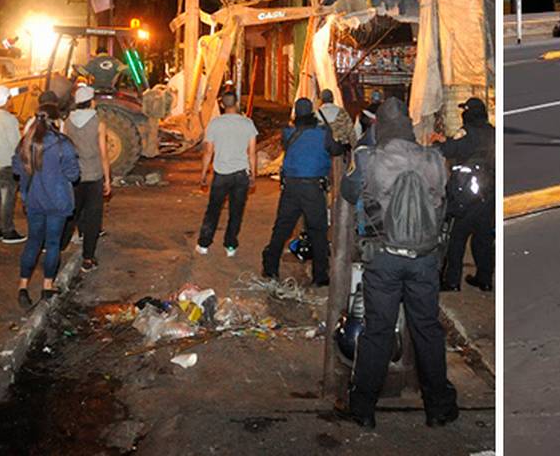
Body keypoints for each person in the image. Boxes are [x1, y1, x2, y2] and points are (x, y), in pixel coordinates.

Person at [339, 98, 458, 429]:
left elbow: (348, 192)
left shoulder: (368, 158)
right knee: (427, 331)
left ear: (380, 127)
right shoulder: (434, 159)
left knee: (377, 330)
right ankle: (437, 407)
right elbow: (443, 201)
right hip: (424, 259)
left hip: (384, 258)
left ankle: (363, 407)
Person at [261, 97, 347, 286]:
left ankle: (270, 268)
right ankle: (320, 276)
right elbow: (337, 150)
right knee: (318, 231)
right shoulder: (323, 134)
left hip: (290, 187)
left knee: (282, 228)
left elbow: (293, 148)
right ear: (312, 113)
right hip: (313, 188)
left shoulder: (288, 133)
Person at [12, 92, 80, 308]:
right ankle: (47, 287)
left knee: (33, 242)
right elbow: (73, 175)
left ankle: (22, 287)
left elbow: (16, 169)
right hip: (57, 202)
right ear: (57, 120)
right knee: (52, 244)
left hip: (34, 201)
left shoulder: (26, 142)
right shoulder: (63, 144)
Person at [437, 98, 494, 292]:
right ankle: (485, 279)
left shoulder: (467, 134)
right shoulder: (492, 133)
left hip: (466, 197)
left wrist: (440, 144)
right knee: (483, 239)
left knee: (457, 239)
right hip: (488, 195)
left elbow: (446, 150)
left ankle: (452, 281)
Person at [196, 91, 258, 257]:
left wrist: (203, 175)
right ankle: (230, 245)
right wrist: (253, 175)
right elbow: (252, 153)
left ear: (222, 105)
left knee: (213, 210)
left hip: (221, 174)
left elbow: (208, 151)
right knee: (236, 211)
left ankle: (204, 244)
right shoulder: (248, 124)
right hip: (240, 175)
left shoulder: (215, 124)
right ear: (237, 103)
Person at [61, 85, 112, 272]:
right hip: (94, 175)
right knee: (92, 218)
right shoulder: (99, 123)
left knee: (71, 214)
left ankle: (58, 246)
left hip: (74, 176)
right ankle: (88, 258)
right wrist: (107, 179)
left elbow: (64, 148)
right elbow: (104, 154)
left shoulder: (67, 122)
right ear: (91, 102)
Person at [0, 85, 25, 244]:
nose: (11, 101)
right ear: (6, 100)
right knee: (8, 197)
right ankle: (8, 231)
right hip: (7, 163)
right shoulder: (9, 118)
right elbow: (16, 144)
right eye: (10, 98)